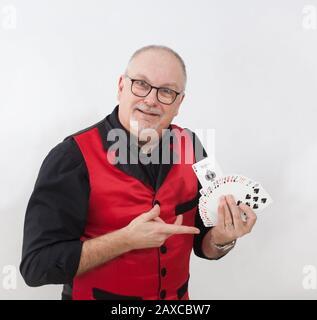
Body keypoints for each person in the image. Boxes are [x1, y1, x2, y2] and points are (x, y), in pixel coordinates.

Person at [20, 45, 257, 300]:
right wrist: (126, 240)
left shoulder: (192, 146)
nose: (152, 100)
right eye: (141, 84)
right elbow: (37, 267)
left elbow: (202, 242)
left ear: (179, 103)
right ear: (121, 86)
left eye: (166, 91)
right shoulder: (71, 157)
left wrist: (222, 238)